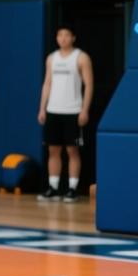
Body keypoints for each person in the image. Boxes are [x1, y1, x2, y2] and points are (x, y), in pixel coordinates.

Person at [37, 24, 93, 203]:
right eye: (59, 35)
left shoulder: (81, 57)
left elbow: (89, 85)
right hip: (53, 110)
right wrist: (42, 108)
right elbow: (47, 83)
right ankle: (53, 187)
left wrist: (84, 110)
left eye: (66, 35)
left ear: (73, 37)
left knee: (72, 150)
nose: (63, 38)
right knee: (53, 150)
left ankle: (72, 188)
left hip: (73, 111)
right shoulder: (51, 58)